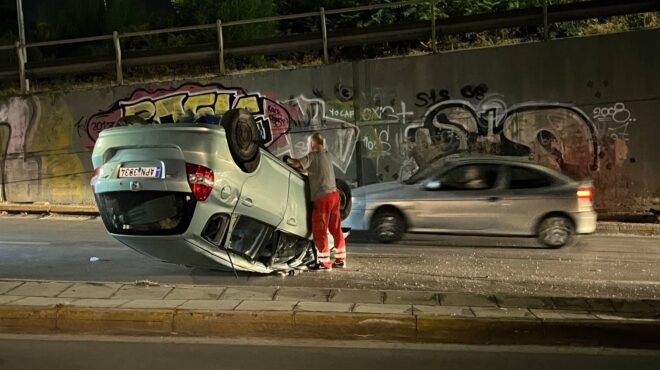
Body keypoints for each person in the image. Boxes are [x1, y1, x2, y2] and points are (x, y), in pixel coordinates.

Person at [286, 133, 346, 271]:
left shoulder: (313, 155)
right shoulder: (327, 155)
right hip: (334, 195)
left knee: (320, 230)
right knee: (336, 229)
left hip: (323, 198)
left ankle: (324, 263)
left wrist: (287, 159)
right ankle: (341, 259)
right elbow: (314, 170)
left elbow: (296, 163)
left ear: (312, 143)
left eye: (309, 143)